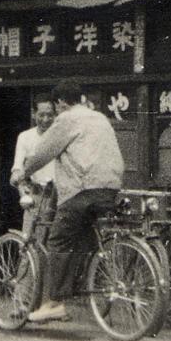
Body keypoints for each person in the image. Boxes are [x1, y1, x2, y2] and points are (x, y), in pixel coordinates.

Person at [22, 79, 124, 323]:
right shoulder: (100, 118)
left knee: (58, 240)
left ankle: (55, 302)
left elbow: (43, 152)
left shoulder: (67, 119)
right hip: (110, 188)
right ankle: (85, 284)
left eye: (56, 107)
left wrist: (21, 173)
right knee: (84, 238)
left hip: (83, 189)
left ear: (60, 103)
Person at [8, 93, 56, 232]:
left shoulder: (60, 136)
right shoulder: (25, 137)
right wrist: (22, 190)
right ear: (33, 114)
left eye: (50, 115)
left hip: (59, 196)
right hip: (36, 196)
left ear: (55, 115)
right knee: (28, 243)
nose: (46, 119)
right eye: (41, 115)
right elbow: (17, 168)